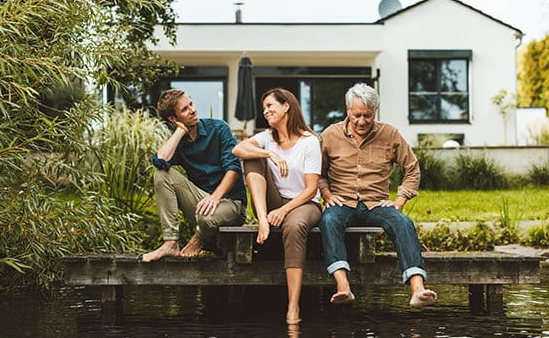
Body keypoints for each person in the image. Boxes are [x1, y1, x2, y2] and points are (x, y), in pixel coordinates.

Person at [318, 83, 437, 308]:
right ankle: (343, 287)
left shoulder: (390, 134)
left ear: (375, 112)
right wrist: (326, 193)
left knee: (402, 222)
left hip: (377, 203)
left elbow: (412, 168)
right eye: (357, 115)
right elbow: (318, 172)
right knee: (329, 220)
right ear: (347, 111)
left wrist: (400, 199)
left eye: (368, 116)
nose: (362, 121)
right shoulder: (330, 135)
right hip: (342, 202)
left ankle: (417, 289)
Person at [232, 88, 322, 325]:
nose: (266, 112)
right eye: (264, 108)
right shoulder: (266, 138)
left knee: (294, 227)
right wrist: (269, 155)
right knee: (251, 157)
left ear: (286, 106)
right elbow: (237, 149)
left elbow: (311, 189)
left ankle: (293, 306)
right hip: (270, 203)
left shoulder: (309, 141)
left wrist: (284, 210)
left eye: (270, 106)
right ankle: (262, 220)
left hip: (304, 202)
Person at [141, 89, 246, 262]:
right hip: (202, 203)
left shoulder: (219, 128)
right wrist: (180, 132)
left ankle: (199, 238)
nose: (193, 109)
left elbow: (234, 169)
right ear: (173, 119)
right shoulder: (179, 142)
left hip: (230, 204)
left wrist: (215, 197)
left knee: (205, 218)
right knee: (161, 175)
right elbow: (159, 161)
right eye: (185, 109)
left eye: (191, 103)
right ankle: (170, 243)